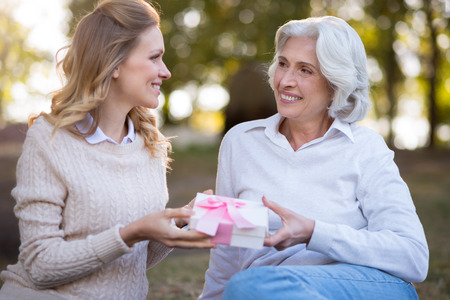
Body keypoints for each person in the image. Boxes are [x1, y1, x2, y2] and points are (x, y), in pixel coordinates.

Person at [200, 16, 429, 300]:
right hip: (265, 289)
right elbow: (227, 253)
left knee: (251, 286)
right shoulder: (241, 142)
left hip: (366, 287)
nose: (285, 80)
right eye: (283, 64)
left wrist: (314, 233)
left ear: (336, 84)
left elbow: (414, 258)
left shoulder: (365, 148)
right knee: (248, 286)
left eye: (305, 70)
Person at [0, 0, 214, 299]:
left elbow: (133, 261)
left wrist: (176, 223)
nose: (165, 72)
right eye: (154, 57)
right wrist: (131, 232)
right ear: (113, 63)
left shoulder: (149, 144)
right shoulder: (50, 141)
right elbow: (40, 265)